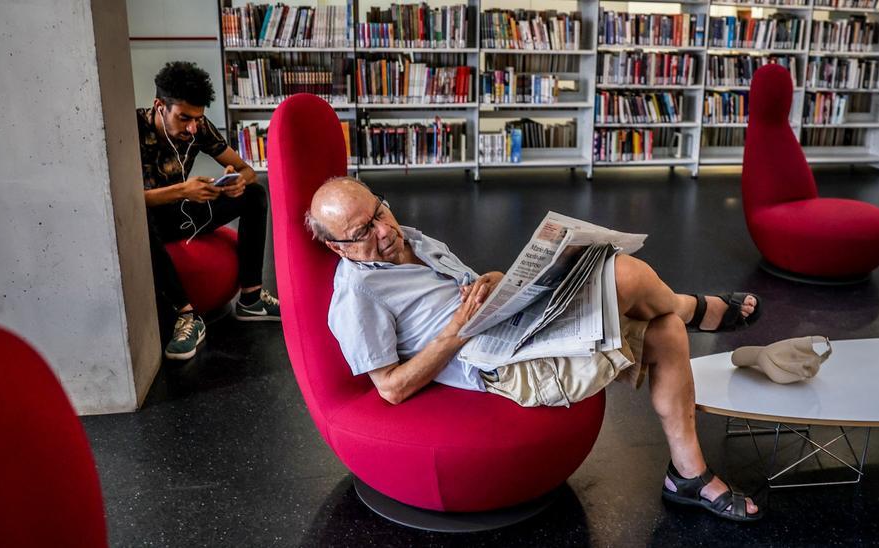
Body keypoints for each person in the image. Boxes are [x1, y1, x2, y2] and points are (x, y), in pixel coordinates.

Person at [307, 177, 765, 522]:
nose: (384, 231)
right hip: (498, 365)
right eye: (363, 231)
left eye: (379, 212)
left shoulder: (410, 239)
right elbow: (390, 388)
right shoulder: (357, 295)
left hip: (507, 326)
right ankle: (694, 307)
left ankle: (688, 475)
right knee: (625, 275)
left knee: (664, 330)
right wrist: (456, 331)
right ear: (337, 247)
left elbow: (463, 294)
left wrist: (492, 282)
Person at [138, 61, 281, 360]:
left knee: (254, 194)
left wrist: (235, 181)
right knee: (140, 221)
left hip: (185, 211)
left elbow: (247, 169)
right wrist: (182, 190)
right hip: (150, 219)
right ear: (159, 106)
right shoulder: (131, 131)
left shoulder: (198, 127)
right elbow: (122, 202)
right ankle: (187, 315)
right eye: (183, 118)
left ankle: (251, 299)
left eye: (197, 119)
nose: (191, 128)